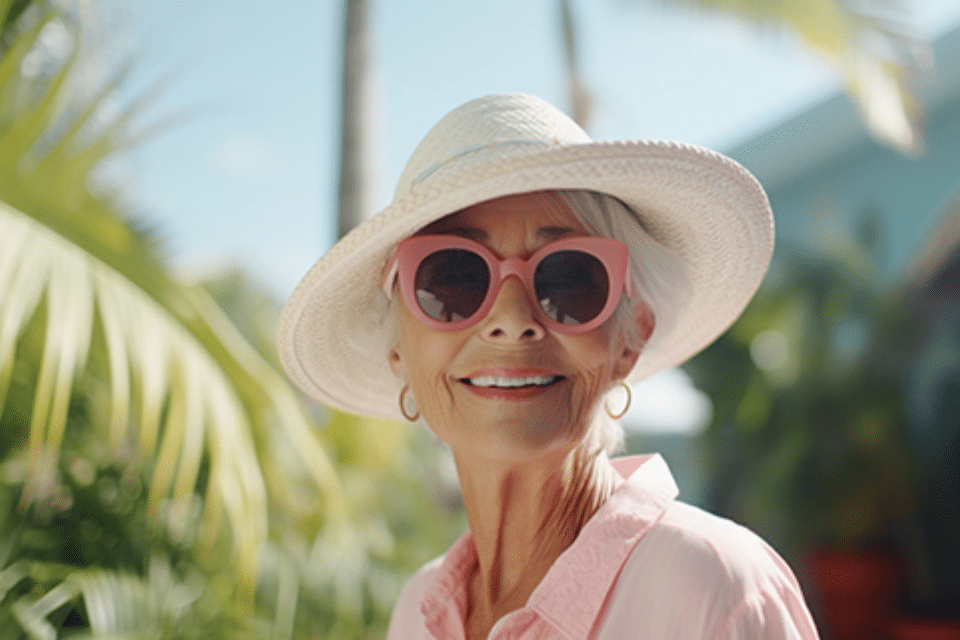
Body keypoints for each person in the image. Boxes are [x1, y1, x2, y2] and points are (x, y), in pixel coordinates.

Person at [277, 93, 819, 640]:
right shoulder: (417, 611)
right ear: (399, 348)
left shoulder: (716, 589)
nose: (513, 320)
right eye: (454, 280)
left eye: (568, 280)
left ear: (629, 339)